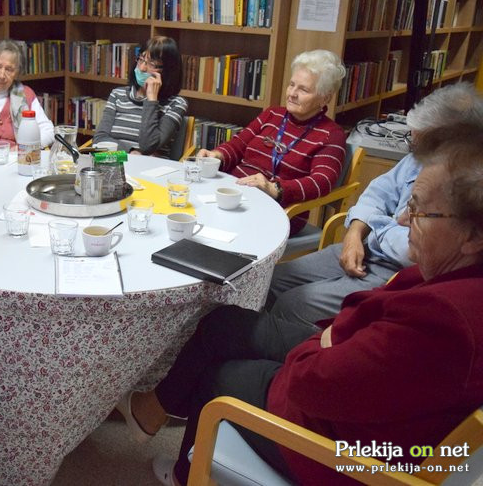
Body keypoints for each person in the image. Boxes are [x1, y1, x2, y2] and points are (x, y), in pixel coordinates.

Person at [120, 129, 483, 486]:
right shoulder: (458, 282)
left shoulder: (443, 319)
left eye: (419, 211)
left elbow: (310, 385)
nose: (403, 219)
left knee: (223, 375)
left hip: (342, 452)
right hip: (358, 383)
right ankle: (152, 410)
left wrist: (325, 340)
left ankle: (188, 475)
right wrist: (329, 338)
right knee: (226, 323)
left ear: (473, 237)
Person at [266, 82, 483, 328]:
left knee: (293, 305)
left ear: (458, 142)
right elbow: (377, 192)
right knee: (271, 279)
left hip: (398, 271)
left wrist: (373, 225)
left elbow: (406, 252)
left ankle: (288, 359)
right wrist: (355, 233)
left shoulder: (468, 183)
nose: (414, 151)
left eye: (422, 144)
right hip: (364, 246)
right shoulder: (421, 156)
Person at [197, 49, 347, 234]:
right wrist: (216, 155)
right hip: (233, 191)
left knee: (210, 227)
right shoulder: (272, 114)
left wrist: (274, 188)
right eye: (291, 85)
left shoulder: (331, 134)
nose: (292, 93)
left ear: (325, 97)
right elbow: (237, 145)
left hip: (277, 208)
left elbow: (322, 181)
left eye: (303, 89)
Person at [92, 36, 188, 159]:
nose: (142, 68)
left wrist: (151, 99)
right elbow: (100, 139)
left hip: (151, 172)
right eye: (141, 59)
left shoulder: (176, 104)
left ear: (168, 71)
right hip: (115, 162)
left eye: (152, 64)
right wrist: (131, 153)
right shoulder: (117, 95)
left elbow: (148, 146)